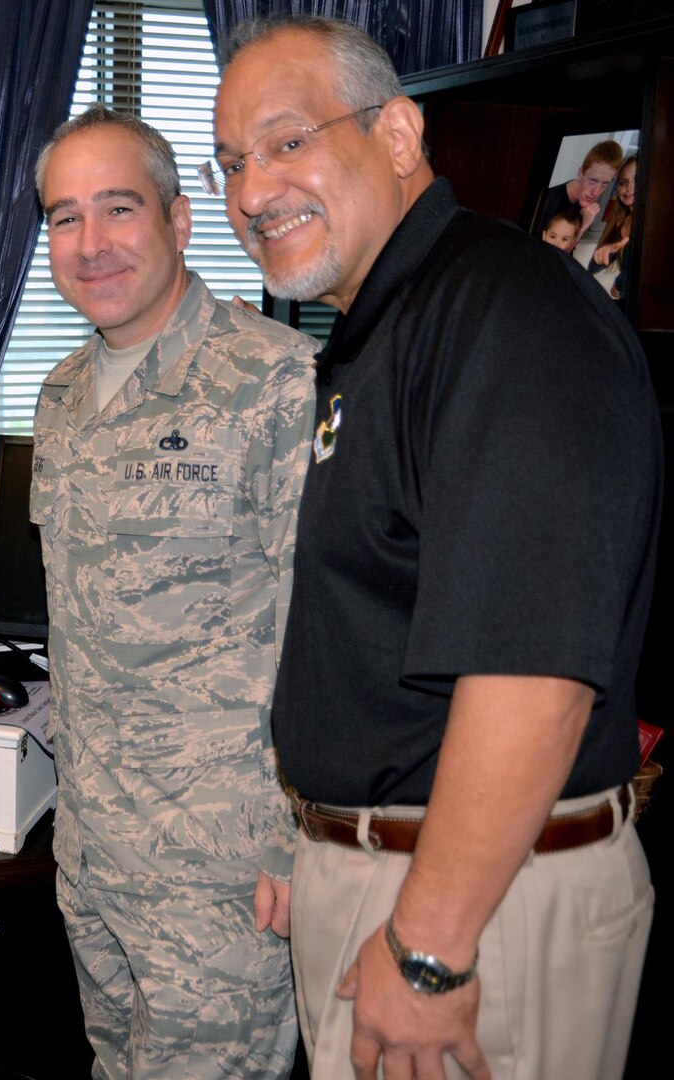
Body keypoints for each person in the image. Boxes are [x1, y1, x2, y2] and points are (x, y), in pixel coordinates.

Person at [211, 16, 659, 1080]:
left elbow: (531, 678)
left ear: (398, 133)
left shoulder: (503, 312)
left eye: (285, 142)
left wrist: (425, 951)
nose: (252, 189)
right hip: (392, 880)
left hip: (472, 906)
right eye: (230, 162)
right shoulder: (383, 327)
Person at [29, 104, 317, 1078]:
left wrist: (292, 837)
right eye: (63, 218)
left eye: (116, 209)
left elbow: (315, 626)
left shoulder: (272, 378)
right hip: (93, 847)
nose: (90, 243)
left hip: (219, 870)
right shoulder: (59, 395)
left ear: (177, 219)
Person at [532, 137, 623, 252]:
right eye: (593, 180)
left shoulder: (584, 202)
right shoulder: (549, 203)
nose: (596, 192)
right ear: (580, 173)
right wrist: (584, 225)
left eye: (605, 184)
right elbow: (549, 258)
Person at [589, 153, 638, 298]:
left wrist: (619, 284)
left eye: (637, 179)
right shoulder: (620, 221)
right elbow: (593, 267)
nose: (629, 187)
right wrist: (604, 253)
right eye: (623, 182)